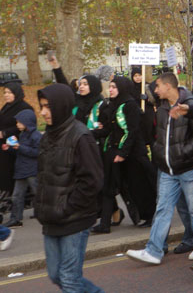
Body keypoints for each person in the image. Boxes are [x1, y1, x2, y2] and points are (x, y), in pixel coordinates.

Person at [126, 72, 193, 265]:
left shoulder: (191, 105)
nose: (155, 90)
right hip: (167, 169)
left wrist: (183, 153)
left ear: (168, 86)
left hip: (186, 167)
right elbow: (157, 134)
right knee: (162, 209)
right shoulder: (161, 108)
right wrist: (159, 151)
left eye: (158, 86)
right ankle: (153, 250)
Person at [35, 83, 104, 292]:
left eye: (47, 106)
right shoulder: (48, 136)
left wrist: (67, 207)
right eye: (42, 106)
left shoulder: (80, 136)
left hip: (74, 219)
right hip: (51, 219)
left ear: (61, 106)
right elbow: (44, 176)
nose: (43, 112)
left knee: (69, 278)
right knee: (56, 275)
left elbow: (93, 181)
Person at [91, 76, 156, 233]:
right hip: (116, 153)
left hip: (133, 155)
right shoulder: (112, 105)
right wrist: (90, 134)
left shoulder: (130, 106)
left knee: (140, 187)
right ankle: (105, 224)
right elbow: (110, 130)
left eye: (114, 87)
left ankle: (150, 216)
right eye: (110, 86)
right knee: (108, 187)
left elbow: (132, 132)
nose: (110, 89)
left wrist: (123, 152)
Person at [2, 109, 41, 228]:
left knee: (38, 193)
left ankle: (44, 213)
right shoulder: (22, 134)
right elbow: (20, 151)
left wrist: (19, 147)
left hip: (32, 170)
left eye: (19, 122)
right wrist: (10, 148)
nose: (17, 125)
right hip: (21, 170)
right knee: (17, 196)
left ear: (27, 122)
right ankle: (16, 218)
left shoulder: (36, 136)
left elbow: (38, 152)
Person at [0, 83, 33, 212]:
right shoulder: (6, 107)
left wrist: (5, 133)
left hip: (18, 145)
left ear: (16, 93)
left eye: (9, 92)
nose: (6, 95)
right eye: (5, 92)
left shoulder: (24, 107)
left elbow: (26, 125)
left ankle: (16, 201)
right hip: (5, 145)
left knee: (13, 173)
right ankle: (8, 200)